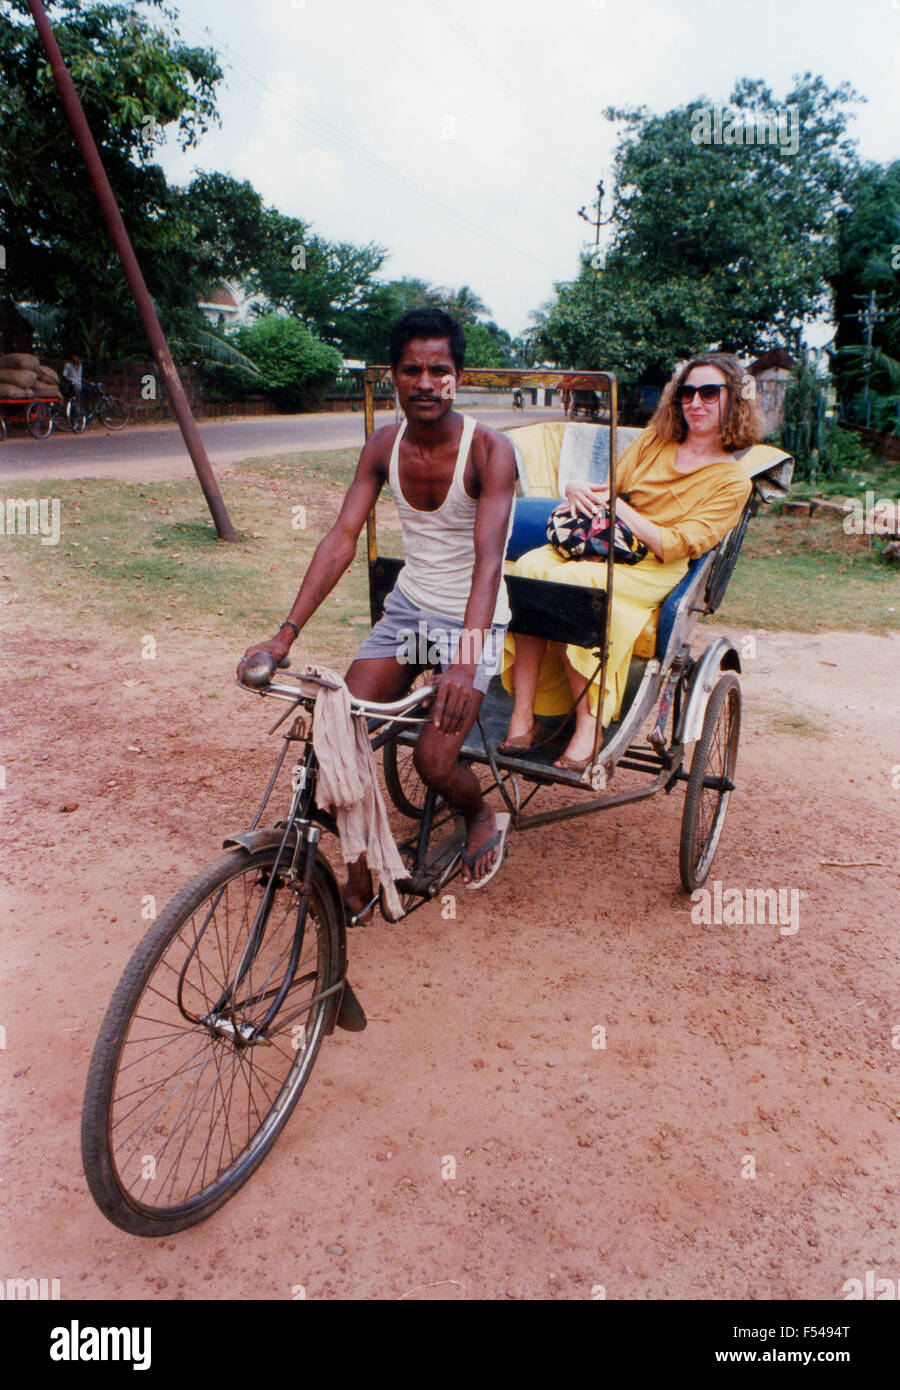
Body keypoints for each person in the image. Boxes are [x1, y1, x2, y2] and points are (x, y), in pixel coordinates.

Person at [238, 309, 517, 912]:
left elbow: (489, 561)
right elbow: (341, 536)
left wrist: (466, 666)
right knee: (340, 736)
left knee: (435, 762)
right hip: (409, 619)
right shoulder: (383, 445)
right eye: (411, 370)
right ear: (394, 375)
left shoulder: (491, 450)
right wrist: (283, 638)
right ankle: (361, 878)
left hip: (469, 626)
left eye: (438, 370)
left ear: (458, 377)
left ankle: (480, 813)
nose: (424, 382)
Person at [499, 353, 763, 770]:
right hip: (605, 544)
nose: (695, 402)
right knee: (528, 570)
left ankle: (589, 726)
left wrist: (623, 511)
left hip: (655, 567)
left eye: (709, 393)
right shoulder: (654, 441)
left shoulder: (732, 481)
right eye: (687, 392)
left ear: (734, 401)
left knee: (576, 587)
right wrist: (574, 488)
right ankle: (523, 714)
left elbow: (675, 544)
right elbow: (609, 489)